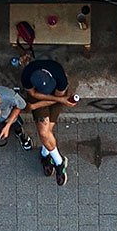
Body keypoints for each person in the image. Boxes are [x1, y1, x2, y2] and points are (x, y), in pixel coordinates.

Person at [20, 57, 78, 186]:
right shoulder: (27, 74)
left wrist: (37, 106)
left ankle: (45, 154)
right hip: (47, 98)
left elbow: (58, 97)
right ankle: (58, 161)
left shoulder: (60, 78)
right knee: (45, 132)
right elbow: (34, 94)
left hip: (57, 96)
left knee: (45, 133)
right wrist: (60, 101)